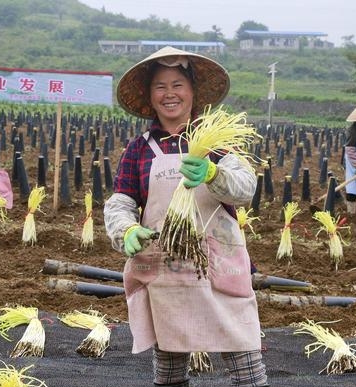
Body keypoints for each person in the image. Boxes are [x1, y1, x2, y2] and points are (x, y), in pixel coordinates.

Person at [104, 46, 269, 387]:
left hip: (219, 269)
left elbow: (244, 188)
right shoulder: (140, 149)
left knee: (248, 370)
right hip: (166, 271)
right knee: (169, 375)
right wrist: (127, 229)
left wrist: (213, 173)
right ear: (150, 96)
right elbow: (120, 202)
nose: (170, 94)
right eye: (160, 86)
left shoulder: (217, 144)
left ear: (193, 92)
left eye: (178, 84)